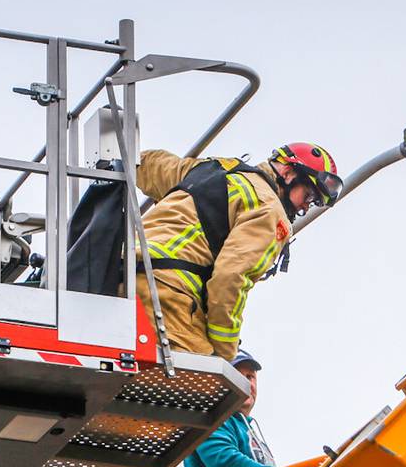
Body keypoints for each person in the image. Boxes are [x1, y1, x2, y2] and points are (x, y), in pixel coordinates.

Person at [133, 143, 342, 362]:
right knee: (212, 387)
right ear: (288, 172)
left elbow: (151, 166)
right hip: (168, 297)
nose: (305, 208)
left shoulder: (218, 170)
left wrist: (111, 155)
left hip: (119, 274)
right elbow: (230, 279)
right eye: (308, 196)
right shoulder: (271, 211)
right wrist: (224, 356)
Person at [184, 349, 276, 467]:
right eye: (237, 376)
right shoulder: (212, 417)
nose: (246, 383)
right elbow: (225, 462)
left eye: (250, 377)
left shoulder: (247, 429)